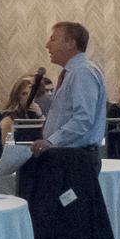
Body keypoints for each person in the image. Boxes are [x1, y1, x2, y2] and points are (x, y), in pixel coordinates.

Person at [31, 22, 107, 158]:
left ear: (70, 43)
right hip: (66, 155)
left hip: (75, 158)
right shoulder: (72, 73)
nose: (47, 45)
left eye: (53, 39)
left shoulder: (82, 72)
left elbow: (83, 119)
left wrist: (51, 140)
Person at [0, 76, 44, 143]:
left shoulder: (36, 114)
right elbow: (7, 148)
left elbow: (47, 136)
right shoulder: (9, 118)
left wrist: (40, 115)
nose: (28, 98)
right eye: (24, 94)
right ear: (17, 97)